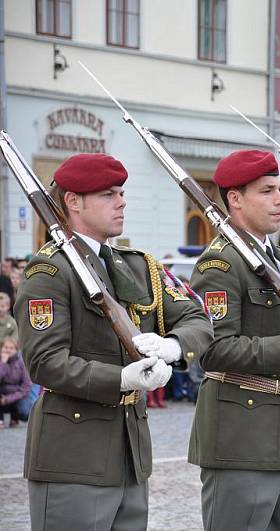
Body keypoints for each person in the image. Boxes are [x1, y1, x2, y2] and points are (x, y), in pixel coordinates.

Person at [15, 153, 213, 531]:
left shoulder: (136, 265)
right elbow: (45, 362)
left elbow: (197, 317)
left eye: (121, 192)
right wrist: (122, 379)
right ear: (73, 201)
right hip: (74, 457)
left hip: (130, 455)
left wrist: (172, 346)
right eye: (108, 194)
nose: (121, 201)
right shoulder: (50, 271)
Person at [188, 149, 280, 531]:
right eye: (267, 190)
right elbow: (214, 350)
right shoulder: (219, 264)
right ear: (235, 199)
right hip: (239, 439)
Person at [0, 336, 31, 427]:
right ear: (1, 348)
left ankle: (15, 417)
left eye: (11, 348)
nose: (8, 350)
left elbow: (26, 387)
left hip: (16, 395)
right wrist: (3, 363)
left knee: (25, 412)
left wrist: (8, 399)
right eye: (5, 347)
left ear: (16, 350)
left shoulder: (21, 363)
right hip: (1, 394)